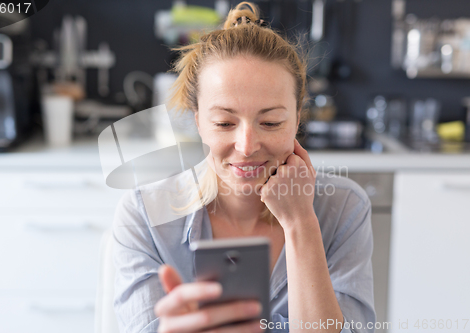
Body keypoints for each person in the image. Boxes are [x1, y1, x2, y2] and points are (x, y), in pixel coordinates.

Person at [112, 2, 376, 332]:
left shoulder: (343, 209)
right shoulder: (145, 217)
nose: (247, 146)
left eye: (270, 122)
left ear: (296, 120)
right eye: (224, 123)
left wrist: (300, 223)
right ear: (198, 122)